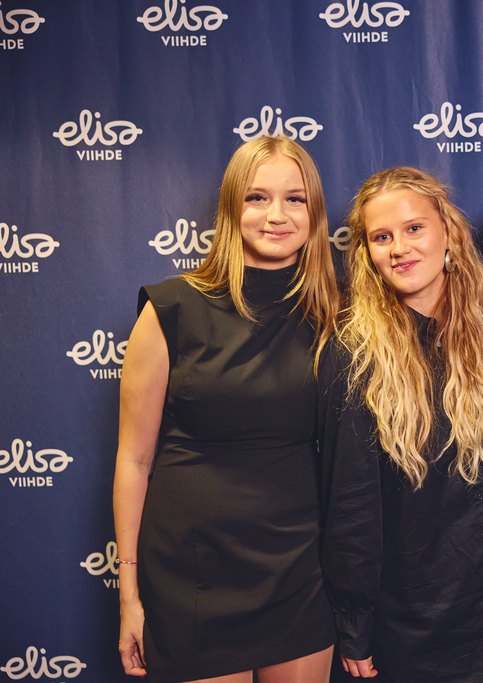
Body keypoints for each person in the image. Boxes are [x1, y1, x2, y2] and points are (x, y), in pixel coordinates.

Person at [112, 136, 339, 683]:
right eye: (257, 197)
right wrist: (129, 595)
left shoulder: (340, 309)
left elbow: (432, 310)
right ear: (231, 208)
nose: (277, 215)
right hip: (193, 568)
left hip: (301, 566)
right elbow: (134, 461)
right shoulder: (172, 308)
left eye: (295, 199)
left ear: (314, 212)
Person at [318, 166, 483, 682]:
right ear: (367, 254)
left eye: (413, 228)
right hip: (419, 621)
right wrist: (355, 624)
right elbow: (351, 505)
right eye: (381, 237)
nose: (399, 248)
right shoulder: (354, 353)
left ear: (447, 232)